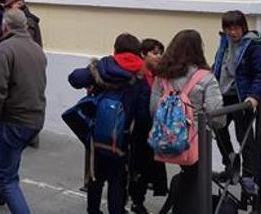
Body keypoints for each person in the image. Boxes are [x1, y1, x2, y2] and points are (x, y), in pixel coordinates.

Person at [68, 33, 147, 214]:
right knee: (117, 180)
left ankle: (93, 210)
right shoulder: (141, 73)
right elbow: (142, 114)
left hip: (98, 133)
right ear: (138, 52)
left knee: (96, 176)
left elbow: (74, 78)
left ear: (115, 49)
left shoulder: (103, 66)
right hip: (123, 137)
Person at [151, 29, 226, 214]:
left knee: (189, 175)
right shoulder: (205, 78)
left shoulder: (162, 76)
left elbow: (153, 109)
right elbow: (217, 118)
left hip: (168, 139)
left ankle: (179, 205)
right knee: (197, 178)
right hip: (196, 142)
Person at [0, 8, 48, 214]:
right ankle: (0, 192)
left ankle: (4, 190)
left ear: (5, 26)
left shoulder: (5, 49)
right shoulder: (37, 49)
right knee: (10, 165)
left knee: (8, 178)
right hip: (35, 116)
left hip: (15, 118)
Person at [212, 10, 261, 192]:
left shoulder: (253, 45)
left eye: (235, 28)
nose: (232, 32)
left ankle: (248, 176)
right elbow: (218, 65)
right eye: (228, 28)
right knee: (217, 127)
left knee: (244, 135)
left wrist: (253, 96)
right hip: (223, 95)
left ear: (243, 27)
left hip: (242, 97)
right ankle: (230, 162)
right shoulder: (224, 42)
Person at [128, 38, 169, 214]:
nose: (158, 56)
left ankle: (138, 199)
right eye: (154, 52)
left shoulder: (159, 76)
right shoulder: (137, 76)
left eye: (160, 52)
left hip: (154, 130)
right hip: (139, 130)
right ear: (143, 54)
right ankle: (137, 202)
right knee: (139, 168)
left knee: (148, 168)